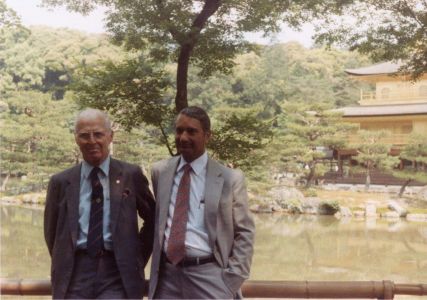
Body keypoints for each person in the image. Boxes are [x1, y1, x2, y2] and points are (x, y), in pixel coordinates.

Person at [44, 108, 155, 299]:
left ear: (110, 136)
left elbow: (153, 220)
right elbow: (51, 232)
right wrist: (66, 260)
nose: (92, 141)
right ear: (76, 139)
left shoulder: (130, 175)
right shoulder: (61, 182)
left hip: (117, 272)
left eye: (98, 134)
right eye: (85, 135)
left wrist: (135, 257)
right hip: (75, 273)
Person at [149, 106, 255, 299]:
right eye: (179, 130)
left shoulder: (230, 178)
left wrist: (232, 279)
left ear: (207, 136)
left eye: (191, 131)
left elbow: (245, 232)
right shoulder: (160, 172)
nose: (183, 137)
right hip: (167, 277)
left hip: (210, 276)